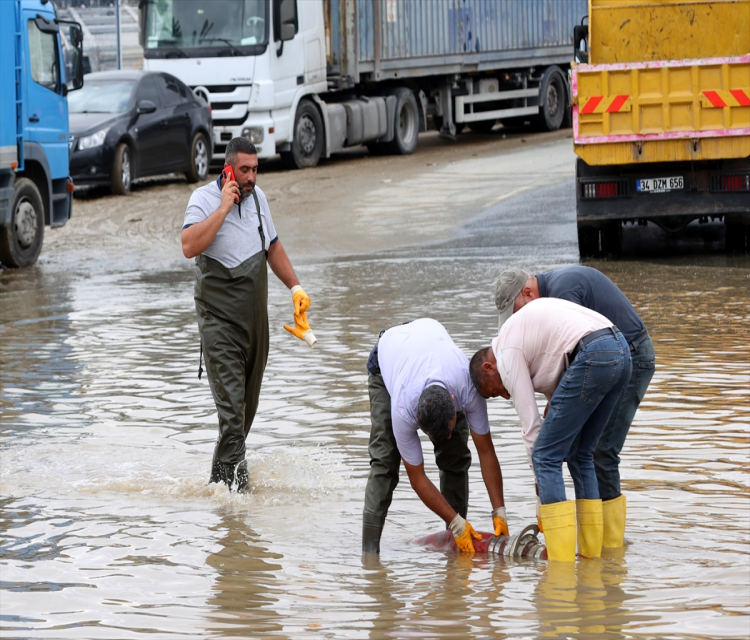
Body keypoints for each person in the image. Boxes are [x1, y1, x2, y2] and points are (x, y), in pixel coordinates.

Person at [181, 137, 312, 491]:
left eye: (255, 169)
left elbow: (272, 246)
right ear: (227, 170)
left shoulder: (259, 200)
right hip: (219, 324)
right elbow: (189, 246)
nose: (252, 178)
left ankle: (217, 491)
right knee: (233, 418)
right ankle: (242, 501)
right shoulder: (203, 200)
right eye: (244, 170)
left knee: (241, 418)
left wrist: (295, 288)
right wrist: (223, 209)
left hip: (256, 326)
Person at [493, 266, 655, 548]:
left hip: (630, 352)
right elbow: (564, 351)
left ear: (528, 293)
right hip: (615, 351)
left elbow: (580, 346)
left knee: (593, 454)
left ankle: (596, 549)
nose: (516, 320)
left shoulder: (564, 291)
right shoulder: (552, 292)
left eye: (515, 311)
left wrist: (541, 496)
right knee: (583, 453)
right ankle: (598, 554)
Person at [470, 298, 631, 561]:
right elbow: (558, 390)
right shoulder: (522, 337)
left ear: (490, 367)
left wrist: (541, 503)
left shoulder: (507, 352)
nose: (503, 395)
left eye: (495, 391)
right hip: (620, 351)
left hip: (593, 353)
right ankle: (593, 559)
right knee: (582, 455)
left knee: (545, 457)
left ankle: (561, 569)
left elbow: (532, 429)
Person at [363, 318, 507, 554]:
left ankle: (456, 547)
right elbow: (417, 478)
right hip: (387, 357)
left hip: (425, 341)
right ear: (417, 421)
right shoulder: (403, 410)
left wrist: (498, 511)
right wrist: (455, 521)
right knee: (385, 463)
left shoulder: (467, 389)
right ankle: (369, 555)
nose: (448, 436)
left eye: (449, 427)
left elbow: (486, 451)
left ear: (454, 403)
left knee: (455, 455)